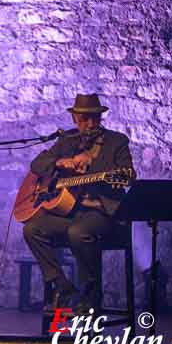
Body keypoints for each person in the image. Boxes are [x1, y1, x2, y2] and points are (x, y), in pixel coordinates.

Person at [22, 93, 134, 315]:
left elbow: (129, 175)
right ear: (75, 119)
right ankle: (63, 287)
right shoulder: (67, 140)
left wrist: (92, 166)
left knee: (78, 232)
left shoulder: (116, 142)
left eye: (94, 118)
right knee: (32, 228)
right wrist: (58, 162)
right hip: (69, 213)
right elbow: (37, 164)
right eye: (84, 119)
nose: (90, 124)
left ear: (100, 118)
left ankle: (90, 295)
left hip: (101, 214)